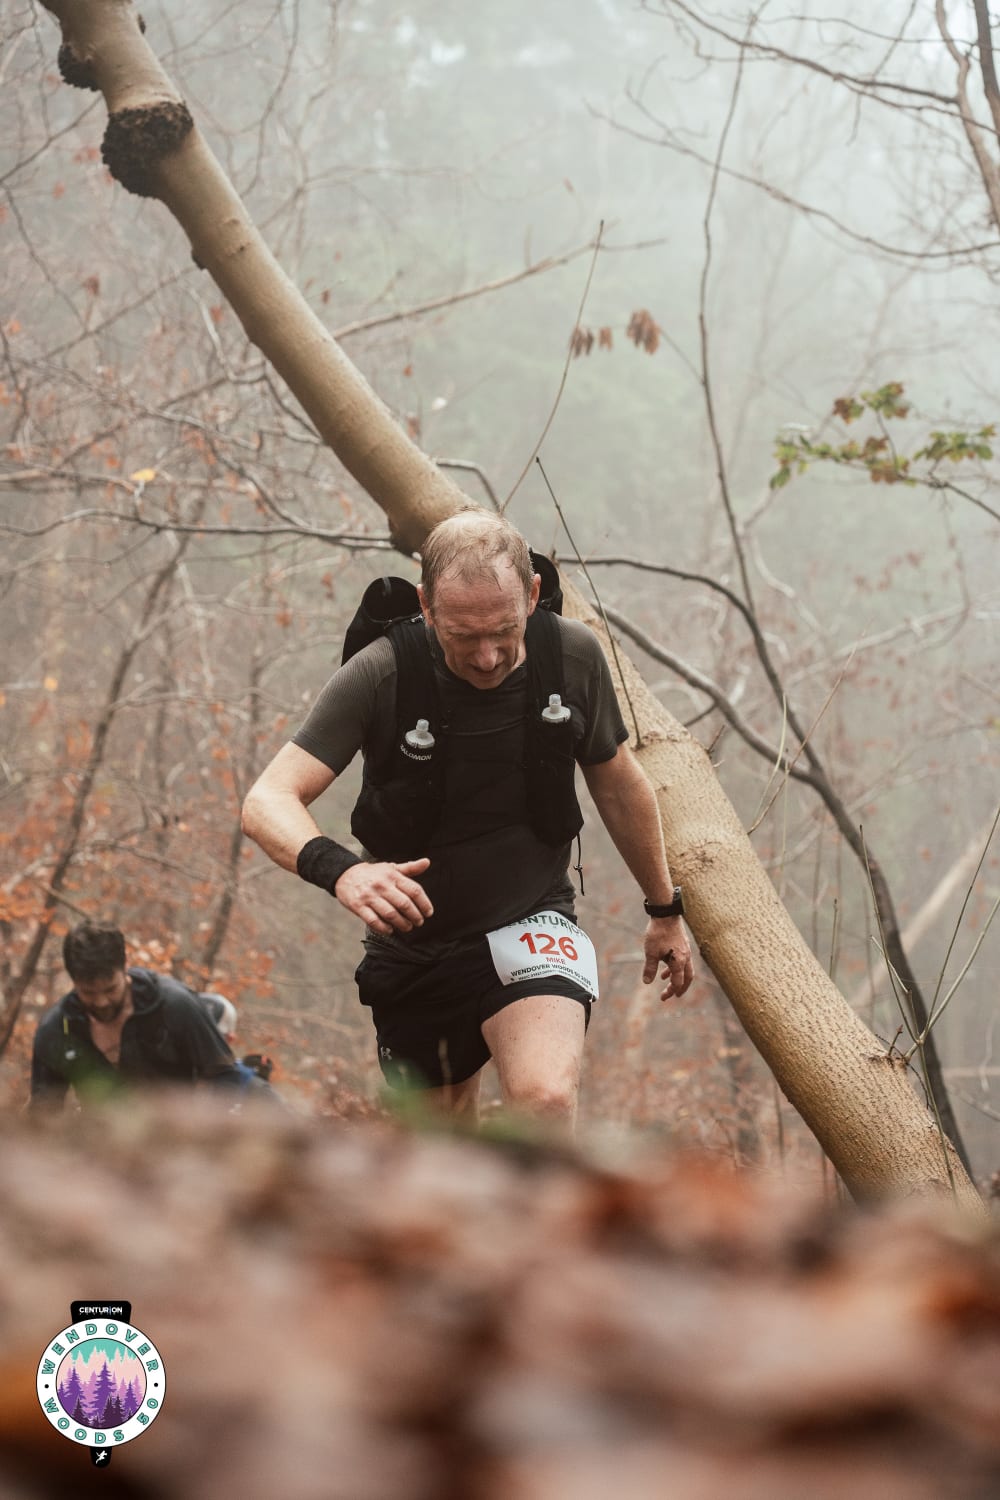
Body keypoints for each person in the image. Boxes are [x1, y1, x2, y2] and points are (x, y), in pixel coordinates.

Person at [241, 512, 694, 1128]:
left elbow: (616, 782)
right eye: (463, 636)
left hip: (531, 920)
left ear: (532, 594)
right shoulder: (382, 672)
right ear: (426, 606)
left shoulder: (572, 656)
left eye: (504, 630)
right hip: (414, 948)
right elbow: (267, 800)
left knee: (544, 1102)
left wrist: (664, 909)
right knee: (442, 1150)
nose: (486, 657)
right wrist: (343, 872)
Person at [30, 921, 248, 1110]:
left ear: (125, 965)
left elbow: (225, 1075)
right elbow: (44, 1112)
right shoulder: (57, 1030)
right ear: (73, 981)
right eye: (88, 993)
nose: (101, 1002)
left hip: (177, 1136)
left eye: (110, 989)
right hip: (99, 1140)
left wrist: (205, 1128)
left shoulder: (175, 1005)